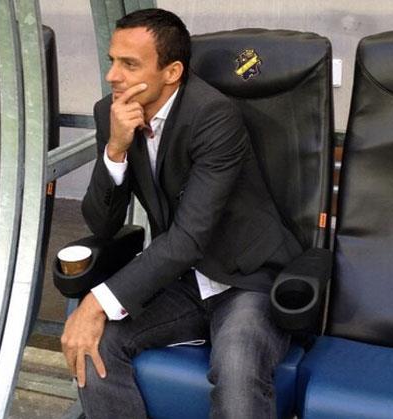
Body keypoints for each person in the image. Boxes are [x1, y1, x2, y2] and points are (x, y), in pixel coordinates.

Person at [61, 8, 302, 419]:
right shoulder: (111, 114)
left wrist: (97, 300)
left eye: (129, 64)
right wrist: (115, 149)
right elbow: (102, 224)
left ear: (171, 72)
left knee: (237, 367)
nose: (113, 76)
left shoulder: (213, 116)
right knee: (93, 344)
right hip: (183, 279)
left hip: (246, 278)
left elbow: (190, 237)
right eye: (112, 61)